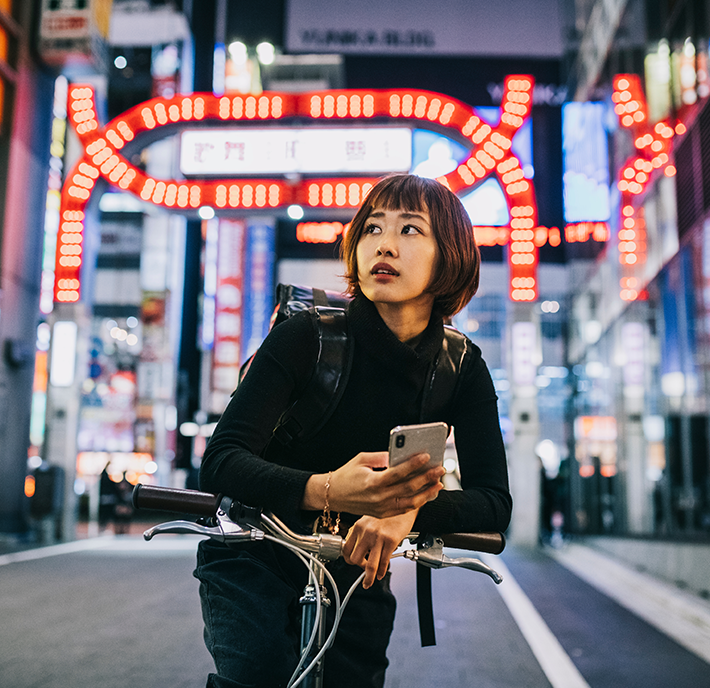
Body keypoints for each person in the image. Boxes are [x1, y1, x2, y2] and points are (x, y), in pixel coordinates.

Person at [195, 174, 512, 688]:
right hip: (254, 549)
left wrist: (404, 512)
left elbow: (494, 501)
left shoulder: (462, 366)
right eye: (371, 229)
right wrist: (326, 490)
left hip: (357, 567)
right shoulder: (306, 336)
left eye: (411, 230)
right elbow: (222, 460)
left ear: (449, 255)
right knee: (257, 673)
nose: (384, 243)